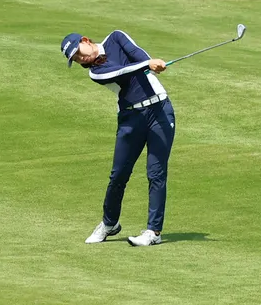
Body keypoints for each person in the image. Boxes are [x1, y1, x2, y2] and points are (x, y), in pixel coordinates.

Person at [61, 29, 176, 247]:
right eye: (75, 59)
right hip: (131, 119)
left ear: (85, 40)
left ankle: (154, 232)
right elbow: (122, 71)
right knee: (119, 175)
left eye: (78, 52)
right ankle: (109, 223)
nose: (80, 58)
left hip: (160, 111)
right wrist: (147, 64)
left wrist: (151, 64)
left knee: (156, 172)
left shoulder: (116, 37)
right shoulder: (96, 73)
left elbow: (139, 55)